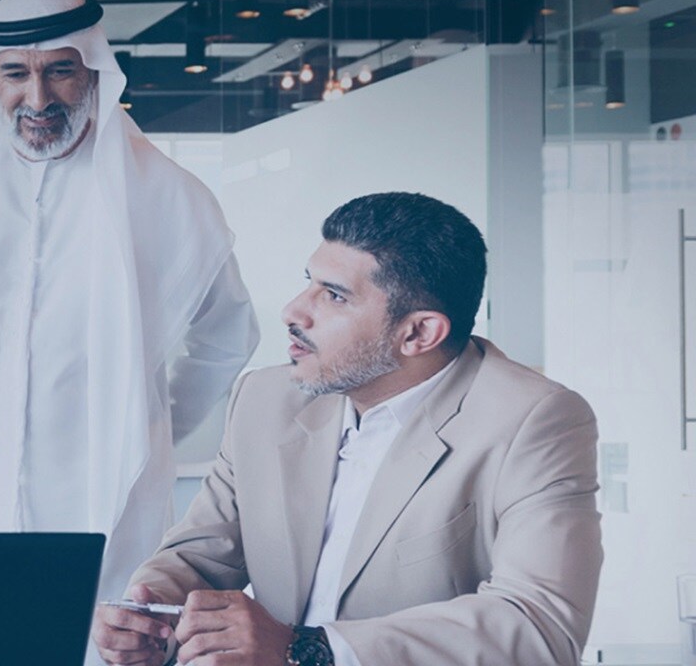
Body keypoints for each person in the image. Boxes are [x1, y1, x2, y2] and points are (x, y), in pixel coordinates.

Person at [0, 0, 260, 617]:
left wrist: (144, 421)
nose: (38, 97)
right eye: (15, 74)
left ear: (95, 71)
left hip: (104, 510)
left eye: (60, 72)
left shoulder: (165, 193)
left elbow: (227, 336)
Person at [92, 192, 602, 666]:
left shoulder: (536, 420)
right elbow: (202, 555)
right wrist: (149, 606)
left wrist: (309, 649)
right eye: (309, 281)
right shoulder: (264, 399)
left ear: (419, 332)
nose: (295, 310)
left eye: (333, 296)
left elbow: (541, 624)